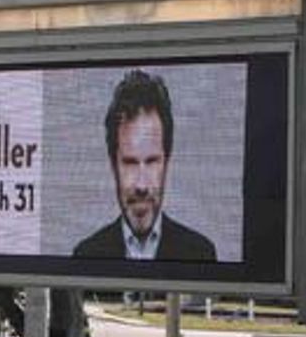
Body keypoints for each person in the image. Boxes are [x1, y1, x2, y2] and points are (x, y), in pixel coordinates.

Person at [73, 69, 217, 262]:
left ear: (167, 162)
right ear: (113, 166)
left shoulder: (200, 254)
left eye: (151, 162)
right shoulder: (86, 256)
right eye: (130, 163)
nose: (141, 185)